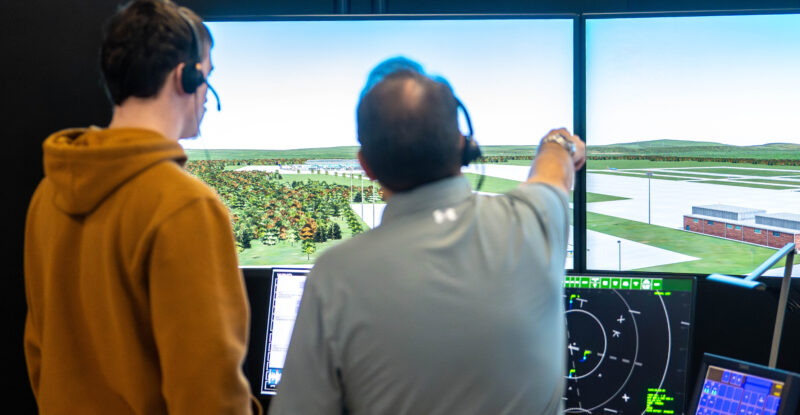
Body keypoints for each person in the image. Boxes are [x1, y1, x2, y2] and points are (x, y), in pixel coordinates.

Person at [269, 57, 585, 414]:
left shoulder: (334, 277)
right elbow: (554, 166)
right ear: (464, 145)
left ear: (366, 166)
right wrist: (559, 142)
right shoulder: (534, 219)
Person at [23, 1, 256, 413]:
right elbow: (208, 395)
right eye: (207, 75)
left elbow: (39, 352)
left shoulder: (48, 193)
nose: (206, 91)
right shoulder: (185, 206)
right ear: (185, 76)